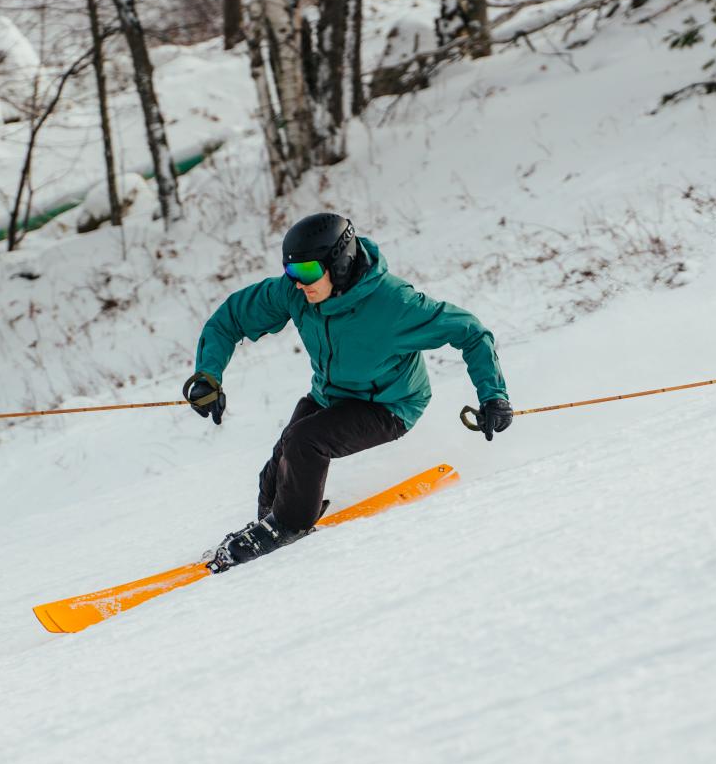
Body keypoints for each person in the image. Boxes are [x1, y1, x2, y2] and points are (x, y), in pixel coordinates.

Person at [183, 212, 513, 572]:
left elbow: (470, 331)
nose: (297, 283)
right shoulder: (296, 293)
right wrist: (208, 375)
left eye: (307, 272)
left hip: (390, 405)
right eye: (291, 273)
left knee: (305, 441)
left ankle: (289, 527)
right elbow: (230, 318)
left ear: (339, 264)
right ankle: (272, 528)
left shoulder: (394, 304)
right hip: (331, 395)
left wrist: (493, 396)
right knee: (276, 471)